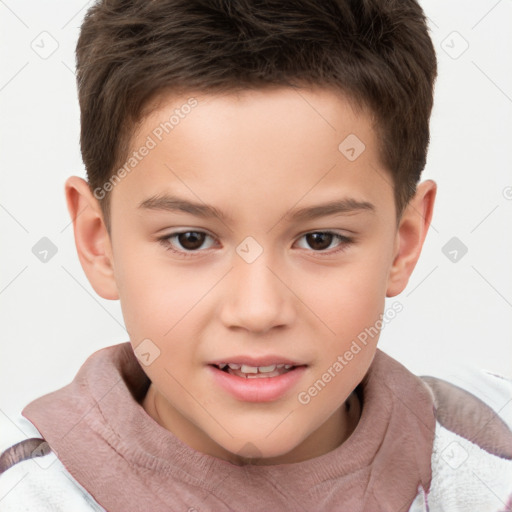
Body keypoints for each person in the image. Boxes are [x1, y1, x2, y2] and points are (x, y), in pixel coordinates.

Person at [1, 0, 511, 510]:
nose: (258, 310)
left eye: (320, 239)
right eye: (191, 239)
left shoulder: (493, 462)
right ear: (98, 241)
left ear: (405, 241)